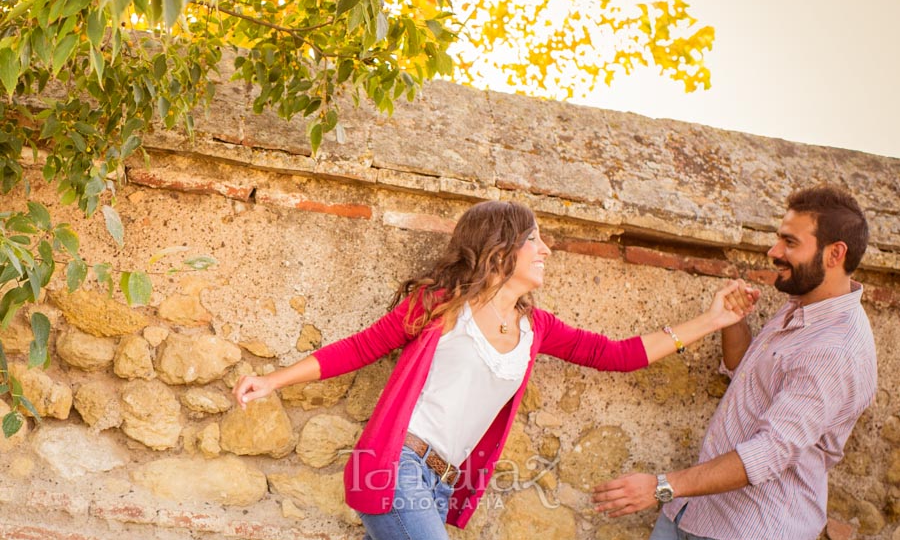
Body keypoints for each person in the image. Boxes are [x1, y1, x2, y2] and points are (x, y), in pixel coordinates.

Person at [233, 200, 751, 540]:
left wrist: (711, 319)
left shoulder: (537, 327)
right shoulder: (442, 304)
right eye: (536, 240)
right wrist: (272, 381)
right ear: (500, 249)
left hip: (442, 482)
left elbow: (615, 355)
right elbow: (361, 348)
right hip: (397, 467)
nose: (546, 250)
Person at [592, 184, 877, 540]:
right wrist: (733, 320)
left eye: (790, 243)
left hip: (752, 529)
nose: (774, 251)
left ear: (835, 254)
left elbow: (770, 452)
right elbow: (746, 372)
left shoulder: (836, 351)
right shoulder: (802, 304)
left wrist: (660, 487)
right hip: (694, 514)